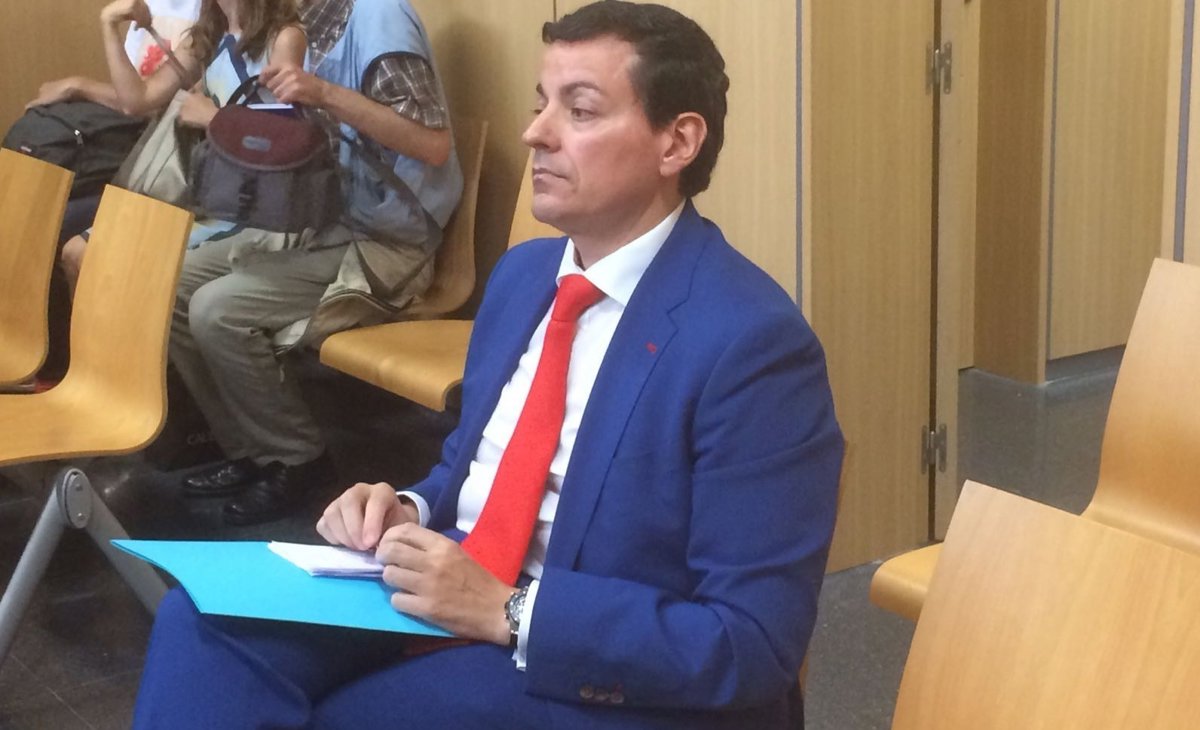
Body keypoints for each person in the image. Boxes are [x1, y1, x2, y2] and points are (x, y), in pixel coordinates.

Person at [132, 2, 842, 728]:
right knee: (203, 625)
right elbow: (476, 470)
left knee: (350, 715)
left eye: (580, 111)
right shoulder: (525, 277)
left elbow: (752, 642)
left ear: (677, 142)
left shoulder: (751, 345)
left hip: (591, 651)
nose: (536, 133)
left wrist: (508, 609)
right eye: (540, 105)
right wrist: (406, 506)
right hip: (460, 581)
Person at [157, 0, 465, 526]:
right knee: (174, 284)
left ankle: (298, 460)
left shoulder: (381, 19)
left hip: (392, 242)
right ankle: (252, 451)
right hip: (329, 223)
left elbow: (433, 146)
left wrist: (322, 93)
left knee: (217, 309)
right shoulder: (303, 27)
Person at [58, 0, 307, 286]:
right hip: (196, 190)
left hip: (243, 206)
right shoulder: (207, 34)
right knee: (76, 251)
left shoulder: (284, 38)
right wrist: (109, 27)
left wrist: (214, 119)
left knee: (113, 263)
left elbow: (284, 143)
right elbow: (136, 100)